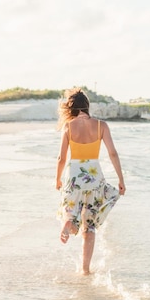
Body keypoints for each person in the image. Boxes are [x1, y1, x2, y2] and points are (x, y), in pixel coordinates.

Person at [55, 88, 126, 274]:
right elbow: (112, 153)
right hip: (93, 175)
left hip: (74, 174)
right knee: (90, 226)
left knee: (71, 207)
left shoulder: (68, 127)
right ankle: (85, 269)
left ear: (71, 107)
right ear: (87, 106)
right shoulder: (101, 125)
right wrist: (120, 179)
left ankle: (68, 221)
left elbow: (61, 158)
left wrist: (57, 179)